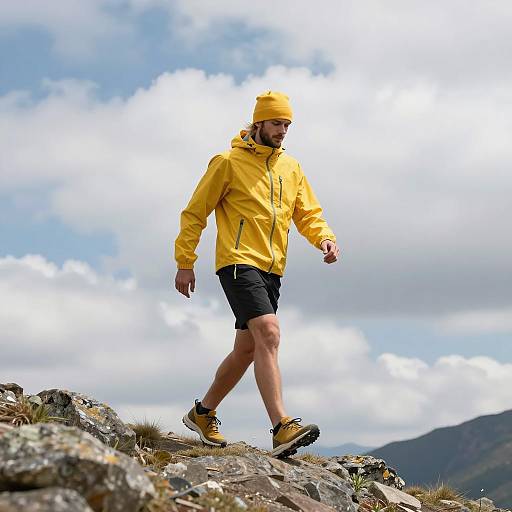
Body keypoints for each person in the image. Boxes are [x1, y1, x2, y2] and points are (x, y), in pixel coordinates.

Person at [174, 91, 339, 458]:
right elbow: (195, 213)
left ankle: (202, 414)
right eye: (278, 123)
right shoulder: (227, 162)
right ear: (259, 122)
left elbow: (307, 213)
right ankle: (282, 426)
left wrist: (324, 239)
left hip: (272, 267)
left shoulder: (291, 167)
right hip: (237, 261)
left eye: (287, 125)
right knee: (269, 332)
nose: (283, 130)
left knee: (248, 349)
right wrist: (185, 261)